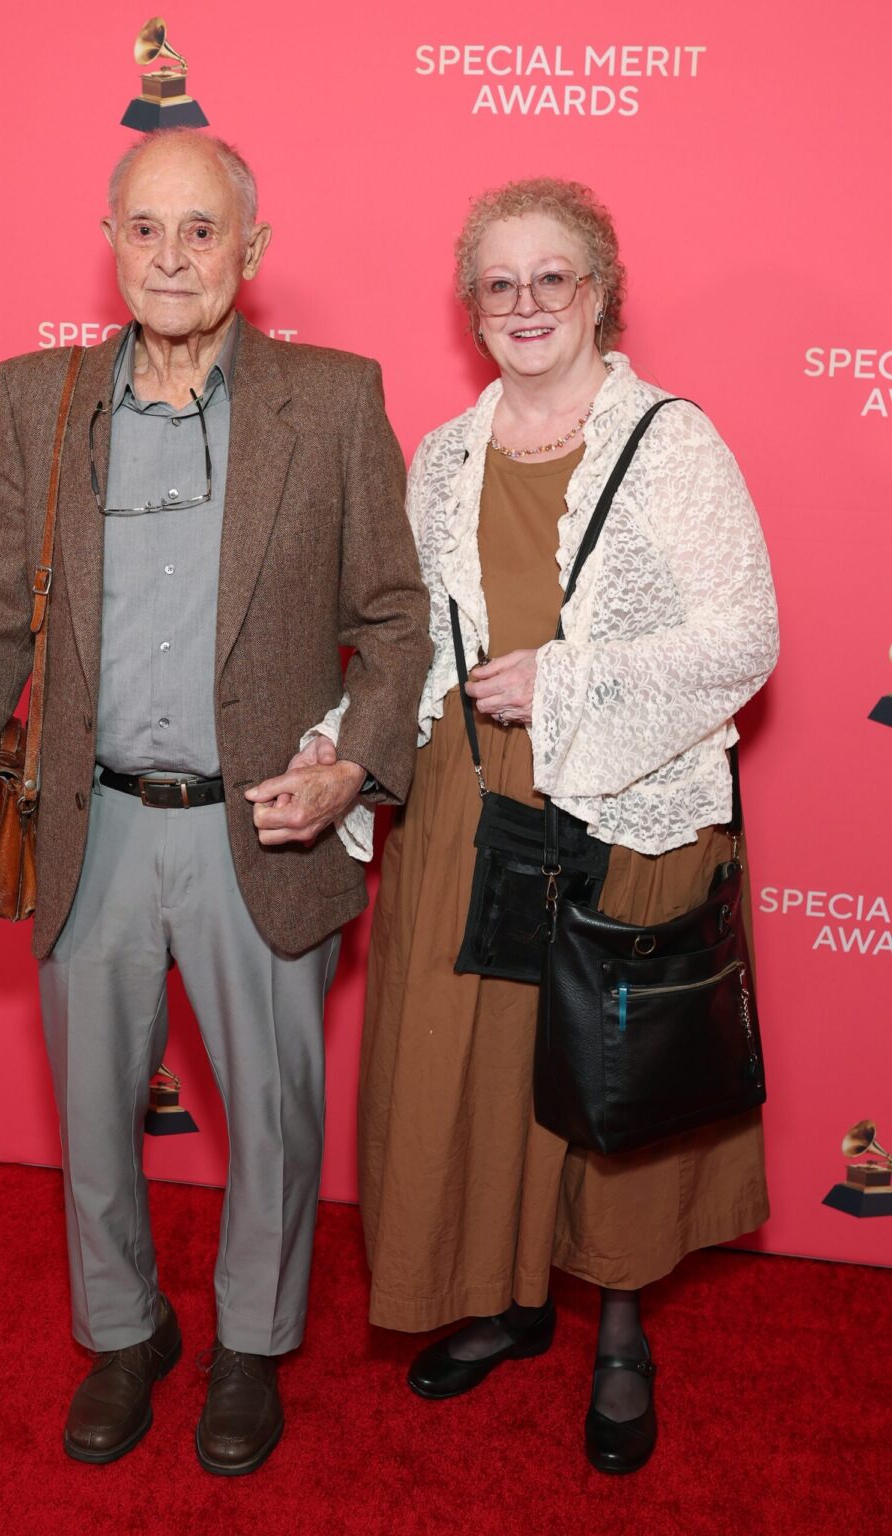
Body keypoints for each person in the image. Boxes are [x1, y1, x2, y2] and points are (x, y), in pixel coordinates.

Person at [0, 128, 430, 1476]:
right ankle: (125, 1331)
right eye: (146, 228)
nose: (171, 257)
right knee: (94, 1110)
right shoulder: (39, 397)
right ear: (111, 242)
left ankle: (251, 1350)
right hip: (90, 823)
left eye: (201, 230)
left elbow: (394, 620)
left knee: (271, 1111)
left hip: (257, 827)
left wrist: (352, 767)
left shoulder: (329, 401)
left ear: (250, 252)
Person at [356, 178, 778, 1475]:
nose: (527, 303)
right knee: (481, 1074)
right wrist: (347, 764)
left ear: (601, 292)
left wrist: (572, 680)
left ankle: (619, 1330)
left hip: (628, 811)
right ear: (470, 305)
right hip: (471, 819)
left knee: (614, 1089)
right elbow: (414, 643)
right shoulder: (442, 454)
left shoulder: (674, 445)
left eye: (556, 278)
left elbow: (745, 638)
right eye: (500, 281)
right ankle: (511, 1301)